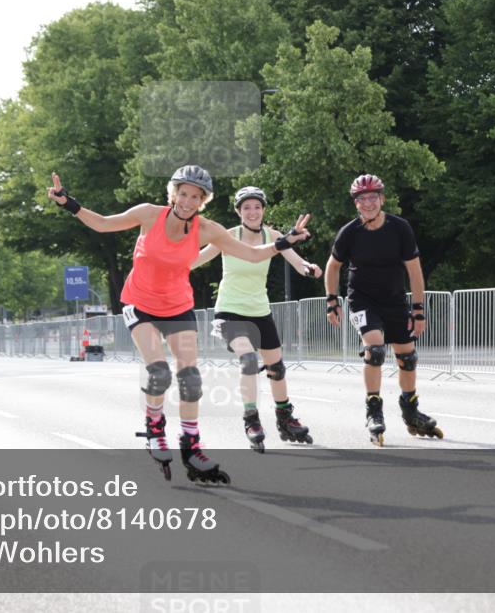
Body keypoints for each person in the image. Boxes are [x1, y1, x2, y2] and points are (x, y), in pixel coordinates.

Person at [47, 166, 311, 483]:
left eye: (195, 196)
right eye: (183, 193)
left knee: (190, 379)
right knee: (159, 370)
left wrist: (284, 243)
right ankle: (154, 427)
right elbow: (103, 224)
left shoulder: (207, 230)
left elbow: (252, 254)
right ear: (173, 193)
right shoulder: (148, 215)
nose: (187, 201)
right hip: (140, 304)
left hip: (177, 306)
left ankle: (191, 446)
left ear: (202, 201)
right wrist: (68, 203)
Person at [191, 186, 321, 452]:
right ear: (239, 212)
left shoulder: (272, 236)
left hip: (260, 310)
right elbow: (196, 260)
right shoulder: (228, 236)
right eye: (246, 207)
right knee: (249, 360)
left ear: (263, 210)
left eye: (257, 207)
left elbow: (296, 261)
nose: (252, 212)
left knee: (277, 368)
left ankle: (285, 419)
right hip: (229, 310)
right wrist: (169, 260)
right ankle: (251, 419)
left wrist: (310, 269)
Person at [324, 174, 441, 446]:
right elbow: (333, 266)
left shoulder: (400, 228)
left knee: (407, 356)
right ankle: (374, 409)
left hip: (394, 299)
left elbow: (414, 270)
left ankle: (410, 409)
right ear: (356, 204)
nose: (368, 203)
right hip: (361, 299)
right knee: (375, 348)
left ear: (382, 199)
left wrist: (418, 310)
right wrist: (332, 301)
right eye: (362, 199)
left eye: (373, 197)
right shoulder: (349, 232)